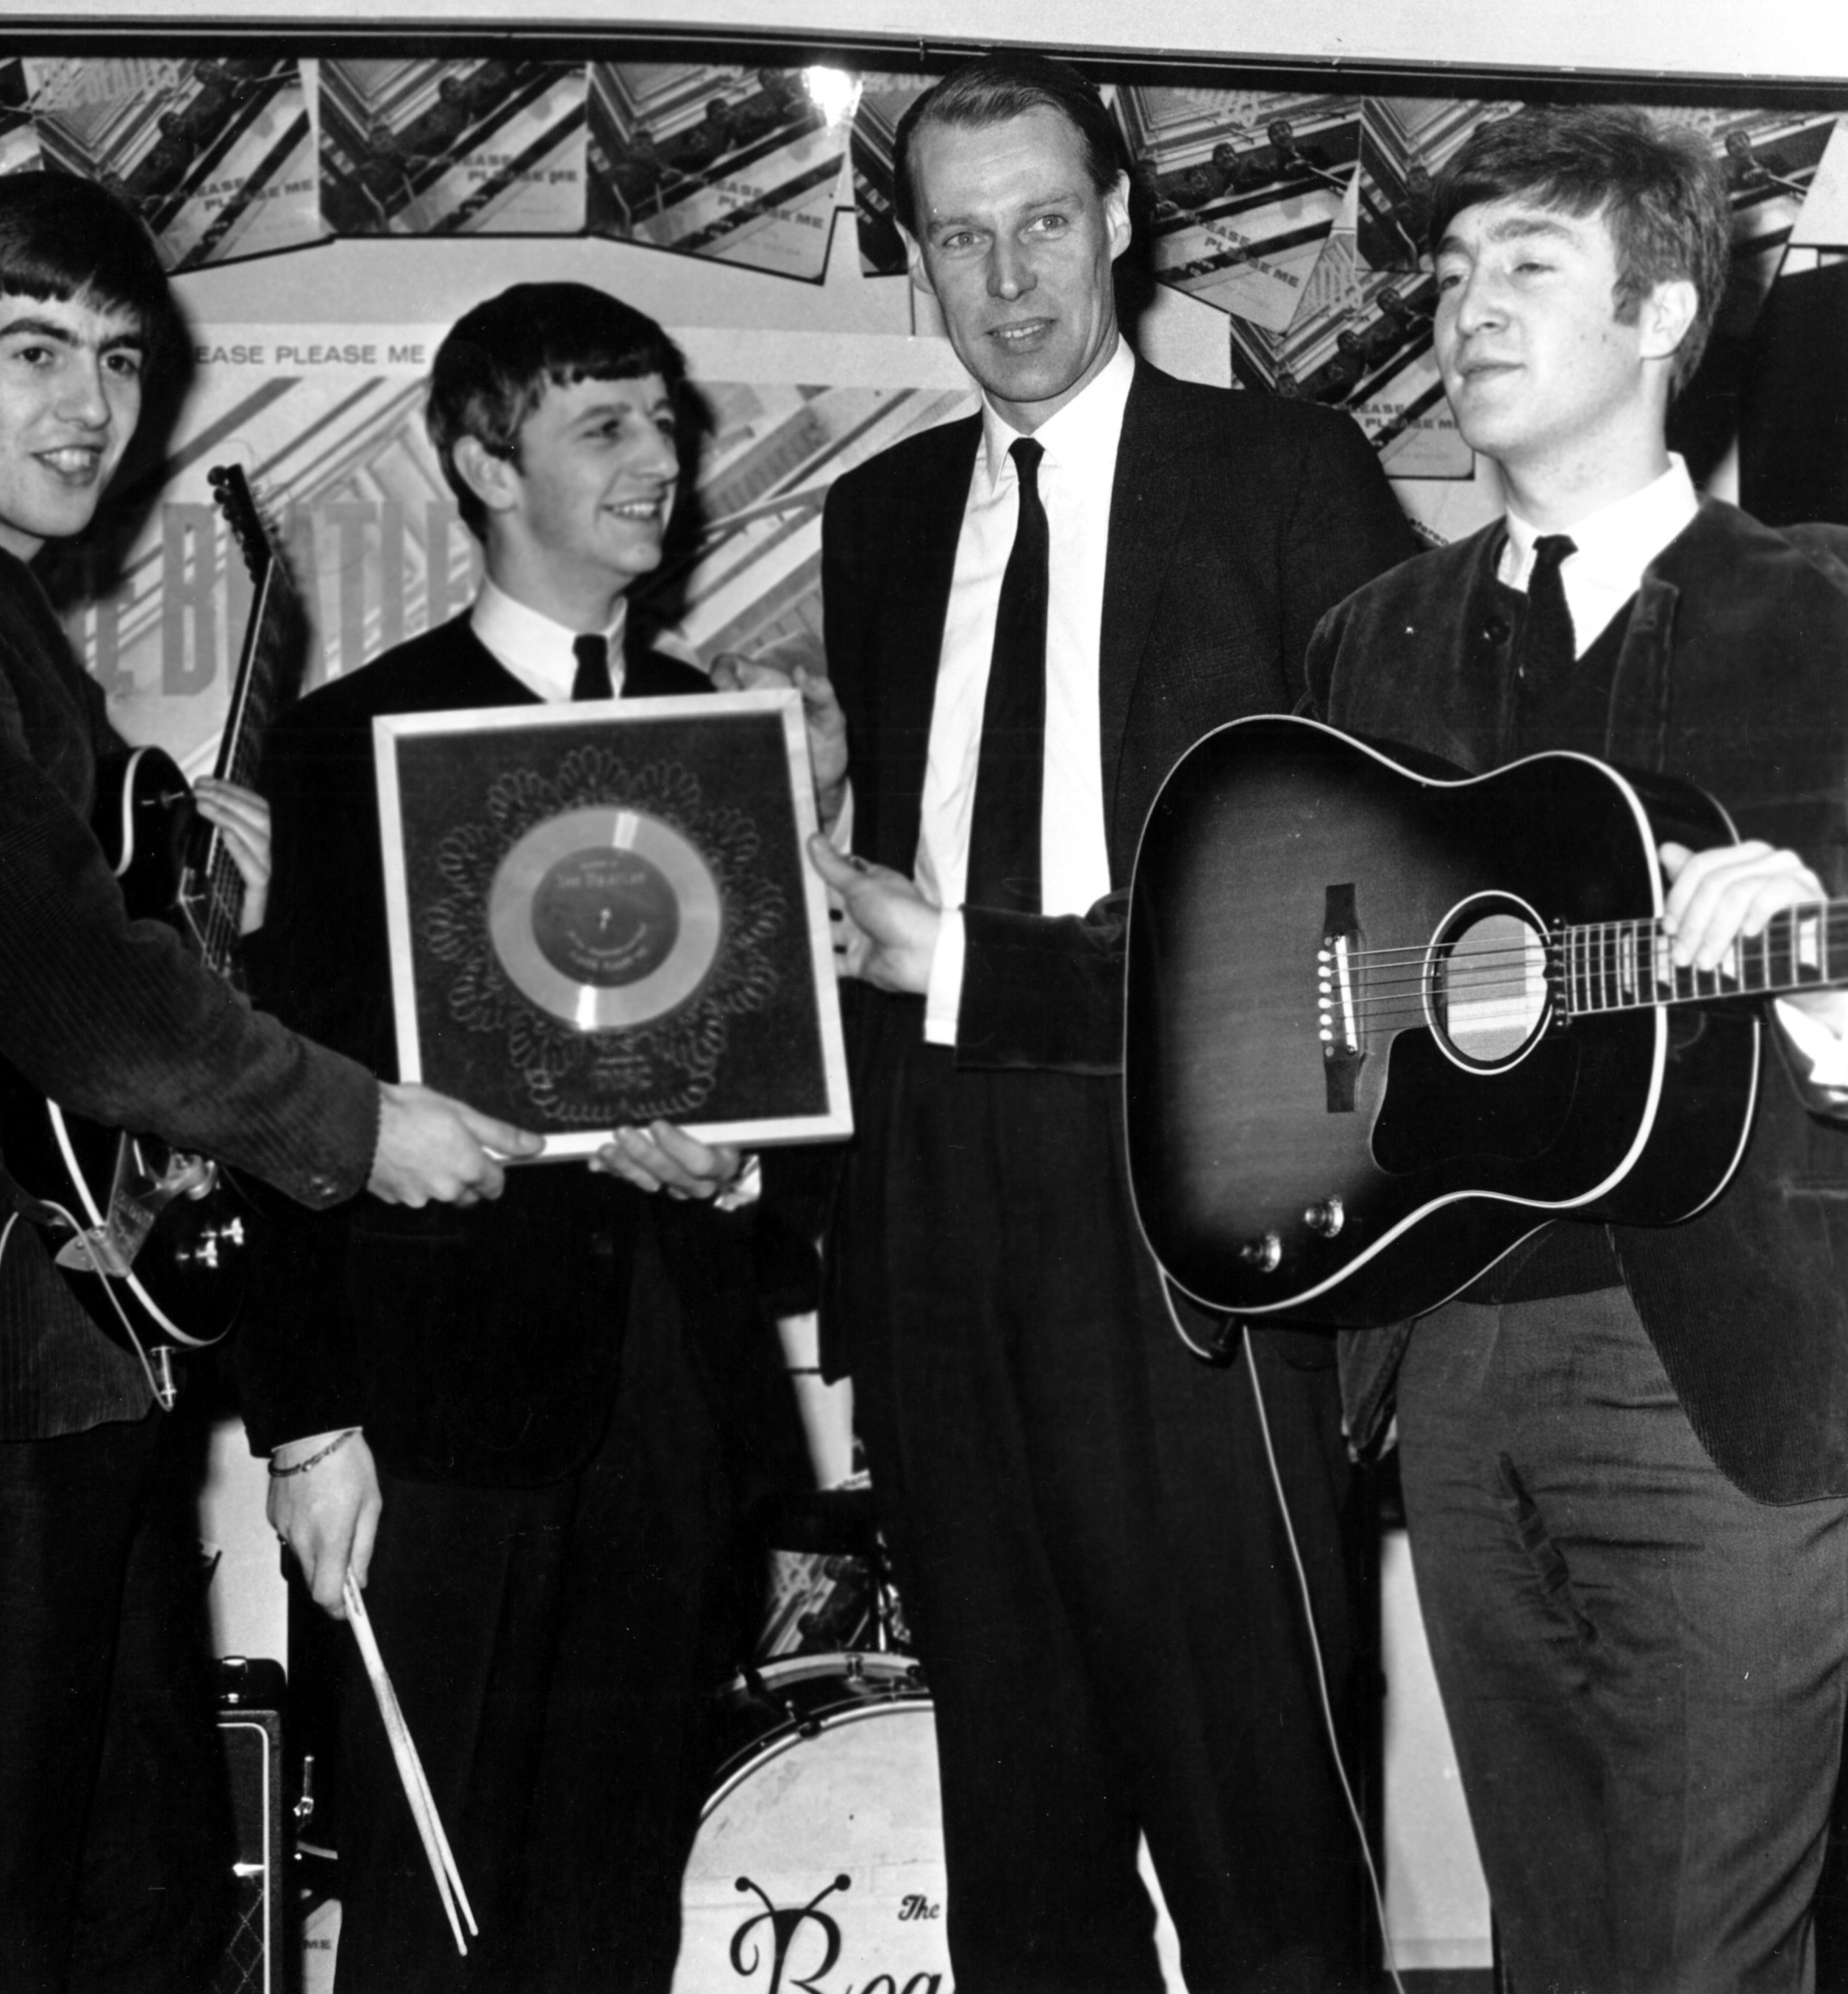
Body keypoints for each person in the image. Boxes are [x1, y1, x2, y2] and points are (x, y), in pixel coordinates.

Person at [0, 171, 529, 1994]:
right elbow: (68, 997)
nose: (87, 406)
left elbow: (43, 928)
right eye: (32, 353)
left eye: (115, 358)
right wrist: (356, 1121)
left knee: (139, 1892)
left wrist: (175, 844)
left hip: (58, 1369)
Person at [793, 54, 1417, 1990]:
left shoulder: (1281, 477)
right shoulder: (877, 522)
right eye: (954, 237)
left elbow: (1354, 888)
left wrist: (967, 962)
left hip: (1184, 1204)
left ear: (1121, 214)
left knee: (1256, 1837)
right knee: (1016, 1821)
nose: (1004, 279)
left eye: (1041, 222)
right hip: (941, 1235)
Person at [1310, 105, 1848, 1988]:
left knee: (1704, 1957)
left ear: (1660, 312)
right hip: (1446, 1368)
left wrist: (1807, 983)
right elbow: (1314, 992)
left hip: (1728, 1371)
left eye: (1523, 266)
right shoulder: (1368, 644)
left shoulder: (1830, 615)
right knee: (1552, 1951)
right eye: (1449, 275)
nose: (1462, 307)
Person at [235, 281, 779, 1993]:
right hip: (434, 1420)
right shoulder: (345, 747)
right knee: (426, 1915)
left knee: (615, 1904)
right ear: (479, 463)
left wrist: (749, 1161)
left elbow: (769, 1080)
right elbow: (279, 1111)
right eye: (600, 428)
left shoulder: (714, 731)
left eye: (663, 424)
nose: (656, 463)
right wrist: (304, 1422)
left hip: (667, 1407)